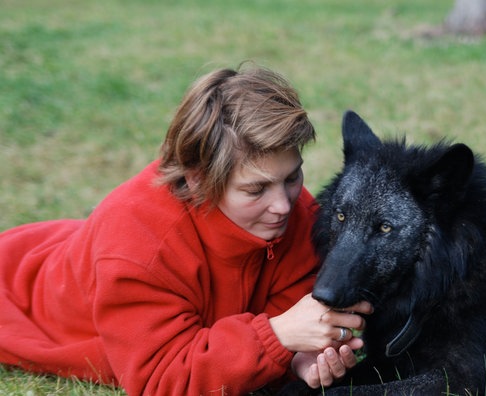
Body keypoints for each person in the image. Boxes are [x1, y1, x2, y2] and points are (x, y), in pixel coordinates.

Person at [0, 65, 372, 395]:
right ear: (198, 181)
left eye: (292, 177)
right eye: (255, 189)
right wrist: (275, 337)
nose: (284, 204)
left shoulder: (299, 213)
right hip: (19, 288)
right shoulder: (136, 248)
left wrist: (298, 358)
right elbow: (161, 381)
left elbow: (285, 315)